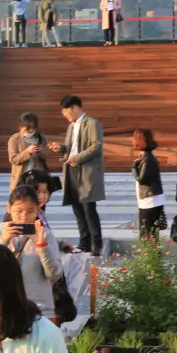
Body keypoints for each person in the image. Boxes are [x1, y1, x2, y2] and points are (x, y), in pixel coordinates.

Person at [0, 186, 64, 320]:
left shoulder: (45, 235)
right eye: (18, 211)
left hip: (39, 309)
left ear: (38, 209)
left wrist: (41, 245)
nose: (24, 217)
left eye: (30, 211)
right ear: (9, 208)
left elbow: (54, 275)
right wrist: (3, 241)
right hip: (3, 308)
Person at [52, 95, 105, 255]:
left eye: (65, 111)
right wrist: (61, 148)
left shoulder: (92, 123)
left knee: (89, 208)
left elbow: (97, 146)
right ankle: (84, 243)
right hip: (71, 170)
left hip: (86, 171)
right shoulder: (71, 127)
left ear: (75, 108)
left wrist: (78, 157)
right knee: (77, 208)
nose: (64, 115)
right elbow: (71, 147)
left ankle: (97, 244)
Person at [131, 128, 166, 242]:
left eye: (134, 138)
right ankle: (152, 257)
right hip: (149, 199)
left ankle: (153, 258)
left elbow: (142, 179)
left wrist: (133, 168)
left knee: (147, 236)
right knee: (149, 235)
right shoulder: (145, 157)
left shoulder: (147, 158)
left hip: (150, 200)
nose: (132, 141)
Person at [7, 112, 54, 190]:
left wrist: (41, 150)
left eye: (33, 127)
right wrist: (27, 152)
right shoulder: (14, 139)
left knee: (39, 199)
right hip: (21, 178)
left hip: (38, 178)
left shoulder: (40, 137)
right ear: (21, 127)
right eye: (28, 128)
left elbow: (47, 155)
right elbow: (13, 159)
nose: (31, 130)